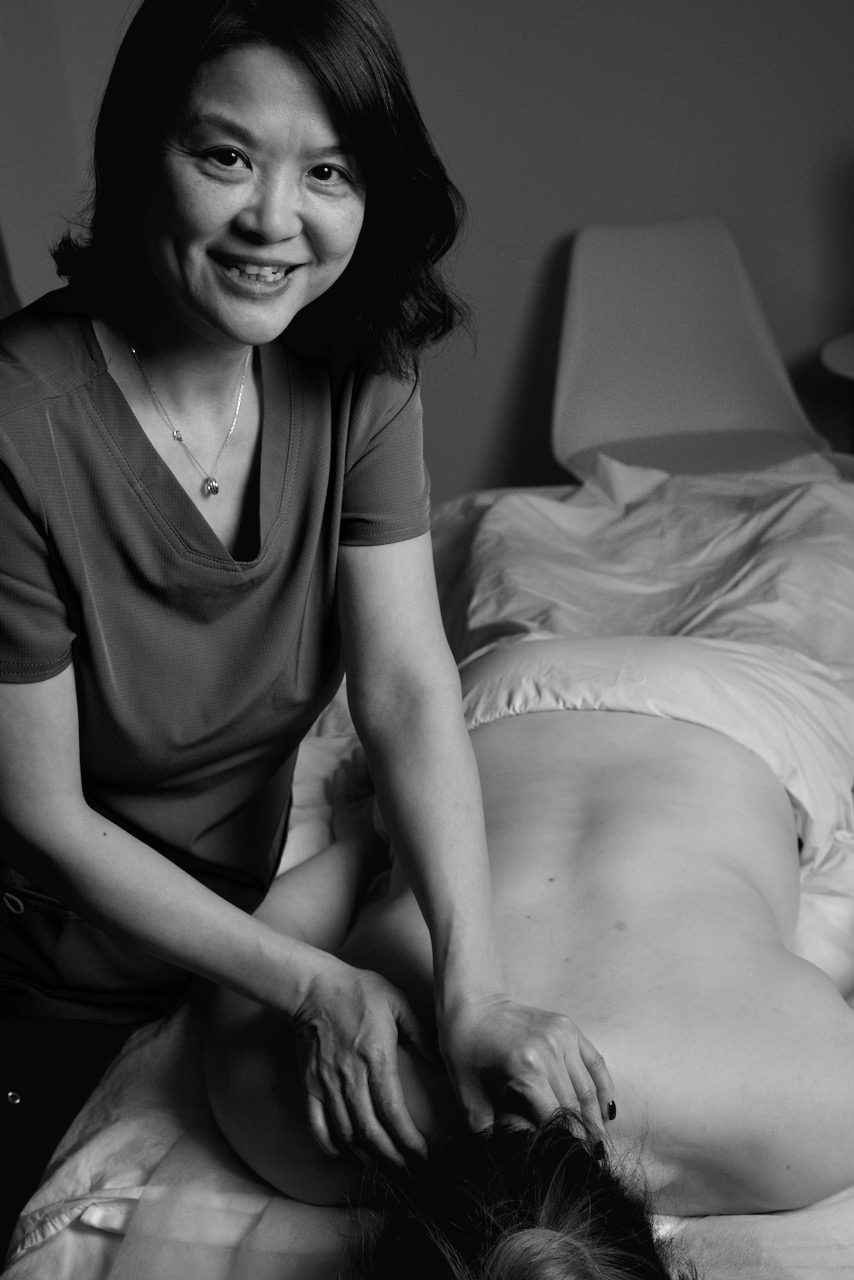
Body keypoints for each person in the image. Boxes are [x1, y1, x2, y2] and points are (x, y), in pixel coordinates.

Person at [0, 0, 616, 1244]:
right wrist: (314, 986)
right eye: (225, 155)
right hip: (46, 971)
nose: (275, 219)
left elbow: (403, 688)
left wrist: (473, 988)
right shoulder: (20, 420)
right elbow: (44, 813)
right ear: (137, 155)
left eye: (327, 171)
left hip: (241, 905)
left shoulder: (359, 369)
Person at [203, 636, 854, 1278]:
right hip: (468, 714)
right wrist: (385, 843)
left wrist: (382, 847)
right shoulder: (303, 1120)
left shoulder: (812, 1126)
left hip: (730, 715)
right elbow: (271, 934)